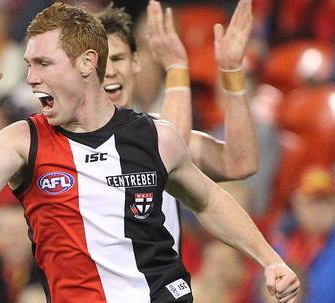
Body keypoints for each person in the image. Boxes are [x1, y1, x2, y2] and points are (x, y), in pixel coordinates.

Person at [0, 3, 300, 303]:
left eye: (43, 64)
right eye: (30, 64)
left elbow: (209, 200)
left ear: (86, 63)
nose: (31, 77)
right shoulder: (23, 140)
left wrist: (270, 260)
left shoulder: (155, 136)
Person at [98, 0, 258, 253]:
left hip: (163, 288)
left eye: (118, 58)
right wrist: (176, 67)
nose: (109, 71)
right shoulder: (73, 141)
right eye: (100, 62)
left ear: (136, 62)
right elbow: (162, 154)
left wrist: (231, 72)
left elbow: (239, 162)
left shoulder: (155, 127)